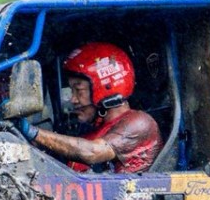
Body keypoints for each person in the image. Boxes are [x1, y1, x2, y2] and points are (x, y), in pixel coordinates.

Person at [26, 42, 162, 173]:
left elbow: (93, 152)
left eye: (78, 90)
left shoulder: (139, 123)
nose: (73, 99)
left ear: (106, 88)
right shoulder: (92, 134)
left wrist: (33, 132)